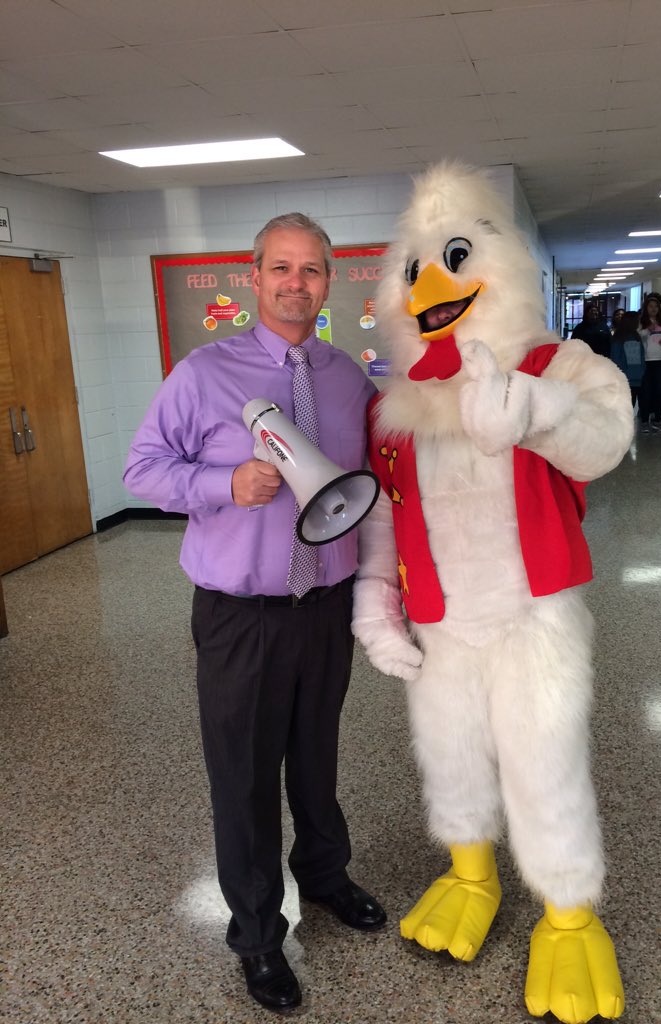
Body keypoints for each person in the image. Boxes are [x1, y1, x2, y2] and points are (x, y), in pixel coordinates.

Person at [123, 213, 384, 1012]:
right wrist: (221, 486)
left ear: (327, 281)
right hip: (242, 615)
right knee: (242, 777)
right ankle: (258, 937)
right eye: (281, 268)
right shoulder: (205, 374)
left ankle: (327, 876)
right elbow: (142, 468)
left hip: (325, 603)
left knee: (316, 755)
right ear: (255, 276)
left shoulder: (347, 376)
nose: (295, 283)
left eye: (311, 270)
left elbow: (374, 483)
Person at [637, 292, 661, 433]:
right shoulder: (641, 323)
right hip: (646, 361)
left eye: (656, 307)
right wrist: (647, 330)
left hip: (660, 361)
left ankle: (658, 420)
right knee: (645, 392)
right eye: (650, 306)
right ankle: (645, 421)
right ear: (646, 308)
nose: (653, 309)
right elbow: (637, 337)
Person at [610, 310, 645, 409]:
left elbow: (642, 356)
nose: (639, 323)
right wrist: (624, 373)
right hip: (625, 379)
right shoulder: (619, 338)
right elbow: (616, 359)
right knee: (625, 406)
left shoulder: (636, 336)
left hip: (636, 377)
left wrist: (641, 371)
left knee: (631, 405)